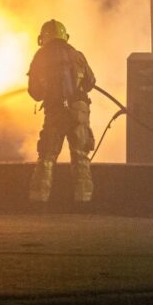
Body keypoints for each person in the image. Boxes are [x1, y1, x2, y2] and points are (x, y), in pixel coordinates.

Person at [27, 19, 96, 210]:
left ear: (43, 38)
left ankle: (39, 201)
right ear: (65, 36)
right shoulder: (77, 55)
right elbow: (90, 82)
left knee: (47, 157)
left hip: (56, 111)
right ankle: (83, 202)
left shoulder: (40, 57)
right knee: (81, 156)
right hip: (79, 111)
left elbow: (35, 92)